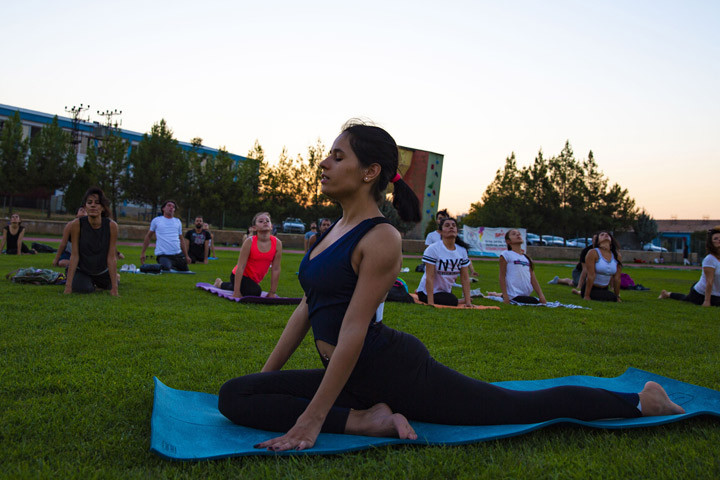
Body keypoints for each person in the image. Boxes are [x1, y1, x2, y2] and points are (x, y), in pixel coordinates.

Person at [217, 121, 684, 452]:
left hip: (390, 370)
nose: (323, 163)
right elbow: (307, 308)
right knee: (236, 395)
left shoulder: (381, 238)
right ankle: (366, 421)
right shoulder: (329, 232)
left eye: (337, 156)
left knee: (519, 406)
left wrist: (314, 418)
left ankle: (640, 401)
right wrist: (266, 377)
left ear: (369, 172)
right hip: (350, 379)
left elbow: (355, 330)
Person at [63, 187, 119, 295]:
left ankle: (115, 278)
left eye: (97, 203)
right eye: (89, 203)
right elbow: (74, 255)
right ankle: (84, 281)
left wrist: (115, 288)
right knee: (84, 289)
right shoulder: (77, 224)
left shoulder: (112, 226)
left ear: (103, 208)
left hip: (102, 270)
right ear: (85, 207)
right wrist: (68, 286)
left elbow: (111, 257)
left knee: (110, 286)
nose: (93, 205)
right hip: (83, 269)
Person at [213, 212, 283, 298]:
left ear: (271, 226)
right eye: (261, 221)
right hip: (240, 275)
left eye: (267, 221)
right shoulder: (249, 242)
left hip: (253, 280)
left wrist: (272, 292)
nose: (265, 222)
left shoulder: (277, 243)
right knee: (255, 292)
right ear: (254, 228)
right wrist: (236, 292)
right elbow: (241, 266)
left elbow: (276, 269)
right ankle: (221, 284)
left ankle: (220, 283)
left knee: (250, 289)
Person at [415, 217, 473, 307]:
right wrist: (430, 303)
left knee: (449, 298)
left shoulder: (462, 250)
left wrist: (468, 302)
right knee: (452, 300)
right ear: (441, 232)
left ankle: (460, 300)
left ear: (457, 231)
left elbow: (465, 278)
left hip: (444, 291)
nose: (451, 227)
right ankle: (458, 301)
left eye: (454, 225)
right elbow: (429, 277)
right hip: (426, 292)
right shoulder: (433, 249)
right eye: (447, 225)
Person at [659, 228, 720, 307]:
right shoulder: (710, 259)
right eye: (716, 238)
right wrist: (706, 301)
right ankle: (667, 294)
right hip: (701, 293)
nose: (719, 240)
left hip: (716, 293)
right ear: (711, 243)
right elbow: (709, 281)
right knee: (687, 298)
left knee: (686, 298)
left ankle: (667, 294)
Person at [499, 229, 547, 304]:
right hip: (514, 295)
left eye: (519, 234)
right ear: (508, 241)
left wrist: (541, 295)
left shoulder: (526, 258)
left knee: (535, 300)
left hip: (525, 294)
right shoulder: (506, 255)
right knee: (533, 301)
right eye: (514, 234)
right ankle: (501, 295)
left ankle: (496, 294)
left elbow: (533, 278)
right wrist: (505, 296)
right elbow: (502, 276)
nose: (518, 235)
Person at [140, 200, 190, 271]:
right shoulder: (156, 220)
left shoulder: (177, 221)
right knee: (166, 268)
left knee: (186, 270)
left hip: (177, 254)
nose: (171, 208)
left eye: (173, 207)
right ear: (163, 208)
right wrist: (143, 253)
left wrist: (186, 256)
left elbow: (181, 239)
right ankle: (145, 267)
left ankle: (171, 265)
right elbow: (148, 236)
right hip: (164, 255)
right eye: (169, 205)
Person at [581, 231, 622, 302]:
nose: (605, 235)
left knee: (613, 297)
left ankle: (577, 292)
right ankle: (582, 293)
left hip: (605, 288)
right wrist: (586, 296)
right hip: (591, 288)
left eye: (608, 235)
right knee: (611, 297)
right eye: (602, 235)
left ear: (611, 240)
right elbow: (591, 275)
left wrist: (617, 296)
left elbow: (617, 279)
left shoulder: (617, 255)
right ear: (598, 241)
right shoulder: (593, 253)